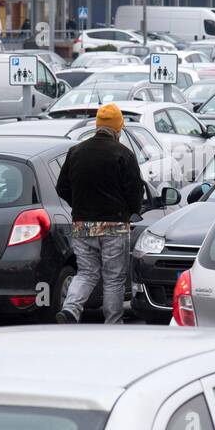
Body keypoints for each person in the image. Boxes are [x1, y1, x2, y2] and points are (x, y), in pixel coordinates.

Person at [54, 103, 144, 324]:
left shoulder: (76, 152)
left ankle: (71, 310)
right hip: (114, 225)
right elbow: (135, 192)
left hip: (82, 224)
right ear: (117, 129)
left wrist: (80, 206)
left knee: (86, 273)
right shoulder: (123, 154)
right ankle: (113, 323)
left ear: (97, 126)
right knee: (113, 278)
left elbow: (62, 187)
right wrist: (131, 211)